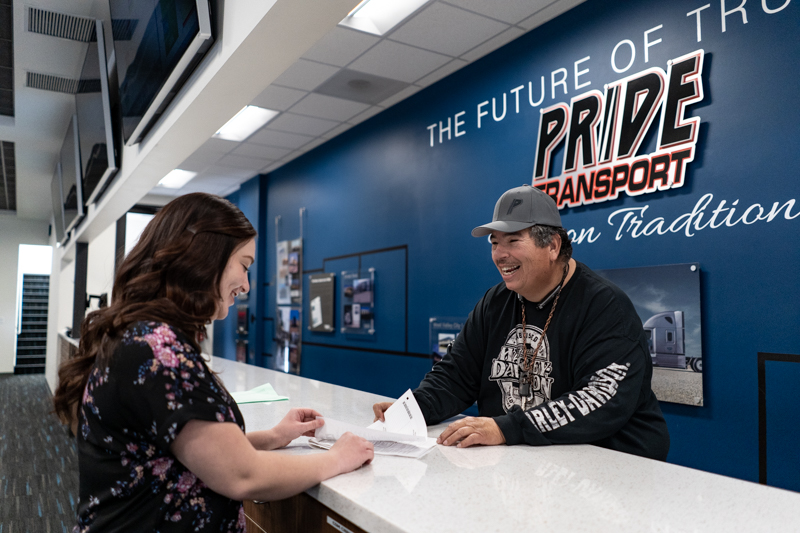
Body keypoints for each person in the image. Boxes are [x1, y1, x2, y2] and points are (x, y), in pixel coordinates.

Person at [54, 193, 373, 532]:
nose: (247, 285)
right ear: (205, 256)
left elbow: (185, 454)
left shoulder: (141, 338)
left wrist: (273, 437)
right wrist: (337, 458)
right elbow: (242, 474)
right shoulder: (158, 350)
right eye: (244, 266)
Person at [374, 185, 670, 460]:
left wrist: (507, 428)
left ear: (553, 245)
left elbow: (600, 400)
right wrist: (415, 409)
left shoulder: (605, 306)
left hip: (609, 467)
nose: (500, 255)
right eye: (494, 243)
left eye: (513, 240)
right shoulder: (495, 302)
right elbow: (456, 375)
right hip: (524, 462)